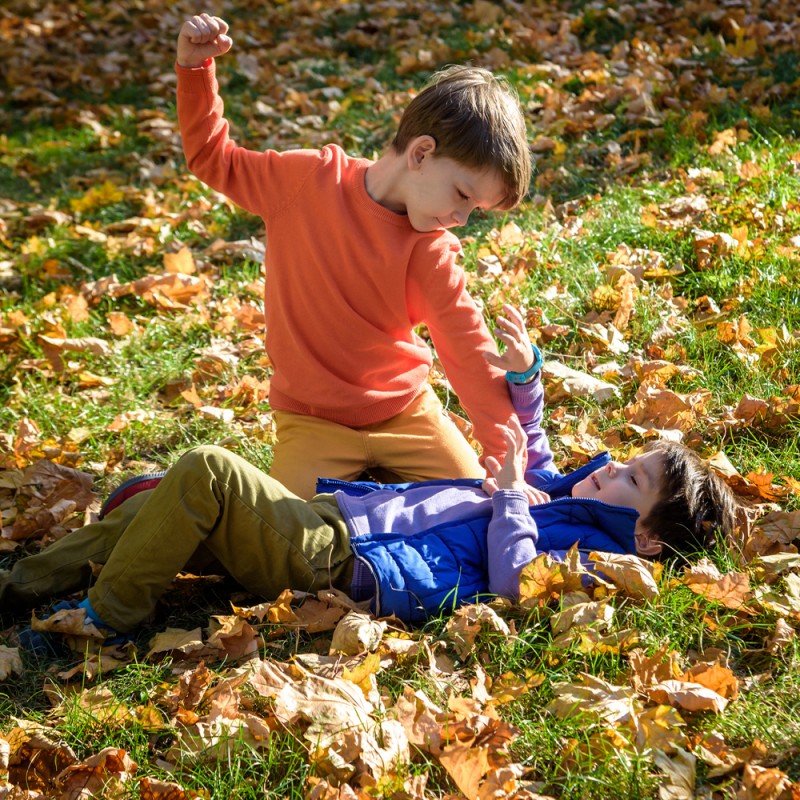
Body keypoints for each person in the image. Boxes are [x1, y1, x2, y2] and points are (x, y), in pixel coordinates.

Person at [0, 307, 738, 639]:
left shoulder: (596, 560)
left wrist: (511, 492)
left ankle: (108, 618)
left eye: (630, 483)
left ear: (644, 538)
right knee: (153, 511)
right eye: (627, 465)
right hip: (337, 525)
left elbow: (517, 582)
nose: (609, 473)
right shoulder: (561, 493)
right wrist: (527, 377)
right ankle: (20, 586)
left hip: (342, 564)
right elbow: (534, 443)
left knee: (206, 471)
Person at [174, 14, 533, 499]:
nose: (463, 217)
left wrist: (509, 463)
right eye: (463, 195)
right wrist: (196, 71)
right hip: (311, 420)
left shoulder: (431, 249)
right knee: (290, 539)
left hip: (407, 413)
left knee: (471, 510)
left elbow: (469, 350)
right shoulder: (304, 183)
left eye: (475, 208)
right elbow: (213, 158)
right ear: (422, 154)